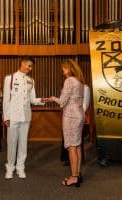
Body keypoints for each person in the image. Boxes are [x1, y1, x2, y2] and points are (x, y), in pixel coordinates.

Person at [3, 56, 45, 179]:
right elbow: (6, 99)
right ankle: (10, 167)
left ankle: (20, 167)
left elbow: (32, 99)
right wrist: (6, 117)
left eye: (31, 66)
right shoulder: (9, 78)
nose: (30, 69)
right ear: (23, 63)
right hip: (13, 116)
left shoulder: (31, 80)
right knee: (11, 143)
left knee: (23, 144)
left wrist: (42, 100)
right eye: (29, 65)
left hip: (26, 116)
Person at [47, 59, 85, 187]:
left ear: (68, 68)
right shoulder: (79, 81)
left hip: (71, 116)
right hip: (79, 114)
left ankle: (74, 177)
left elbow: (62, 101)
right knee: (77, 145)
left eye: (63, 68)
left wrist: (53, 98)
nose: (62, 70)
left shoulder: (69, 81)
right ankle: (77, 173)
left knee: (71, 147)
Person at [60, 84, 90, 166]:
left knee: (77, 142)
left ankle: (78, 162)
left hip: (77, 118)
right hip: (67, 116)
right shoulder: (68, 87)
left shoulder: (85, 87)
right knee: (68, 141)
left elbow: (85, 105)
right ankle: (69, 159)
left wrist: (76, 115)